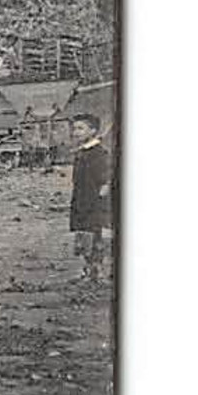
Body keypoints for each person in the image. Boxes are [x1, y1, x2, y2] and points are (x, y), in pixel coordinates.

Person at [69, 114, 113, 282]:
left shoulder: (99, 153)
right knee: (83, 237)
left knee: (95, 236)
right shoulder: (82, 152)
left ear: (93, 131)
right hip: (81, 200)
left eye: (81, 128)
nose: (76, 132)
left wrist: (100, 201)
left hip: (94, 203)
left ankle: (97, 272)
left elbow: (106, 180)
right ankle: (88, 270)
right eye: (74, 129)